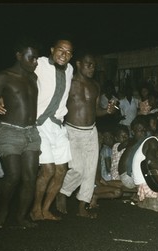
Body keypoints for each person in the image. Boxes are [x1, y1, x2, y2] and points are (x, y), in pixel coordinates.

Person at [0, 39, 75, 221]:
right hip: (39, 124)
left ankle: (46, 209)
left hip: (58, 124)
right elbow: (15, 75)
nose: (64, 55)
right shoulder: (38, 63)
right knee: (47, 169)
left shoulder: (70, 69)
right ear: (52, 50)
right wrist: (2, 95)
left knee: (61, 170)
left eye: (69, 52)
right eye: (60, 50)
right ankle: (35, 209)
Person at [0, 40, 41, 229]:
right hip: (9, 131)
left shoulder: (32, 79)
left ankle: (21, 216)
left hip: (31, 132)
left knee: (31, 177)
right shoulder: (4, 76)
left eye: (37, 58)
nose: (35, 62)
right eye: (31, 57)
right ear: (18, 55)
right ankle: (3, 209)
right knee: (13, 176)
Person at [55, 52, 118, 218]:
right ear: (78, 64)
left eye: (93, 65)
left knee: (90, 171)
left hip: (91, 131)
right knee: (77, 169)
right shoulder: (68, 83)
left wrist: (107, 111)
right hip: (72, 130)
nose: (91, 68)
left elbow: (95, 111)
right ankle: (62, 192)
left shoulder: (95, 86)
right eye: (88, 64)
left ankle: (83, 206)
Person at [118, 115, 149, 190]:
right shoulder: (134, 142)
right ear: (132, 132)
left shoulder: (136, 141)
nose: (143, 133)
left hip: (127, 175)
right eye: (140, 130)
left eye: (144, 130)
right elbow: (119, 147)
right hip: (127, 177)